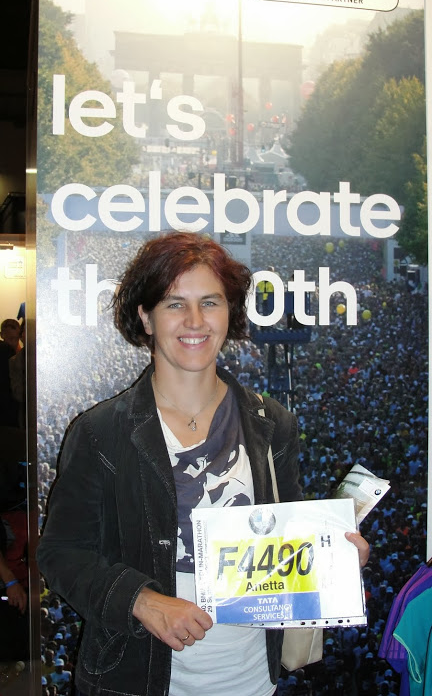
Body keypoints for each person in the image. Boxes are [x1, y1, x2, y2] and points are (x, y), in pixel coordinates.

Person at [37, 231, 369, 696]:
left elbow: (284, 542)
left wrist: (332, 558)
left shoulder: (273, 424)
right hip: (136, 679)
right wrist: (140, 600)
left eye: (210, 302)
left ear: (229, 312)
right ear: (145, 317)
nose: (195, 321)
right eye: (175, 304)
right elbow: (60, 553)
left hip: (252, 680)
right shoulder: (100, 432)